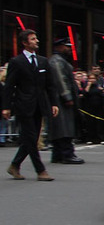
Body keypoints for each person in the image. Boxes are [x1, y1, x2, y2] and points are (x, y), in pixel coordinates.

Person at [2, 29, 59, 181]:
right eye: (33, 39)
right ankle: (40, 171)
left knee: (31, 139)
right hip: (23, 104)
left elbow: (50, 85)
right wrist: (6, 106)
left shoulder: (43, 61)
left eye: (36, 38)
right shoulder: (16, 62)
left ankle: (15, 165)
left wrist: (53, 103)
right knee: (31, 136)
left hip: (40, 104)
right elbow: (9, 86)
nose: (37, 41)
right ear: (25, 43)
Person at [48, 38, 84, 164]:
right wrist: (67, 97)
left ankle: (58, 154)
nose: (69, 49)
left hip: (60, 99)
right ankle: (67, 154)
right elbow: (60, 80)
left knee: (62, 127)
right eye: (66, 46)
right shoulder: (57, 61)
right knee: (64, 127)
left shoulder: (59, 60)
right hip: (60, 100)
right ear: (59, 47)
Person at [82, 73, 104, 144]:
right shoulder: (87, 86)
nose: (92, 80)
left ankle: (101, 138)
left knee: (99, 124)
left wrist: (102, 89)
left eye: (93, 79)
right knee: (90, 124)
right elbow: (84, 93)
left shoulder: (98, 86)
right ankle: (90, 138)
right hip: (89, 108)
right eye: (90, 79)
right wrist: (88, 85)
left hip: (99, 108)